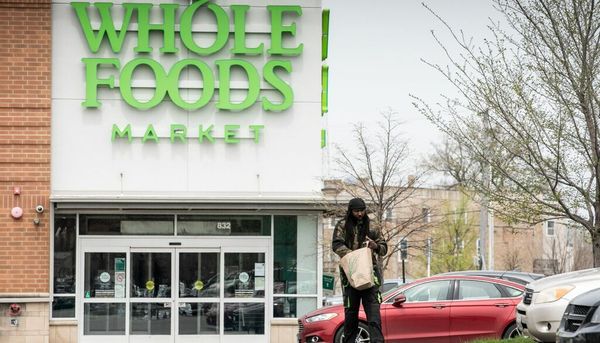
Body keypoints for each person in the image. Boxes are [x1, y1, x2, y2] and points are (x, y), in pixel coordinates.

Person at [332, 197, 387, 343]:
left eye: (362, 210)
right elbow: (336, 244)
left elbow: (384, 248)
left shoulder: (373, 226)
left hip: (370, 275)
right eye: (356, 211)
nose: (360, 214)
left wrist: (375, 246)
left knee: (374, 316)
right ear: (351, 211)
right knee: (350, 316)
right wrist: (354, 257)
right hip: (350, 276)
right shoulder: (342, 225)